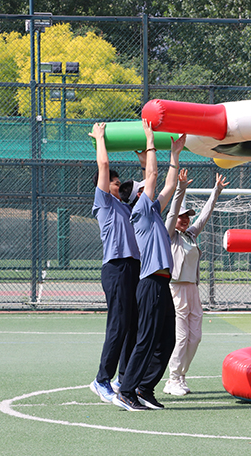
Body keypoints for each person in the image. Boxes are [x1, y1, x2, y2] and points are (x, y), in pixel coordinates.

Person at [112, 119, 184, 411]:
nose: (148, 187)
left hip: (161, 282)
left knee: (167, 339)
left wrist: (175, 154)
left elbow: (169, 184)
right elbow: (153, 175)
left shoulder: (151, 209)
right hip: (151, 282)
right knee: (146, 339)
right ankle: (126, 390)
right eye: (143, 188)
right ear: (138, 197)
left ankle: (144, 388)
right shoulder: (140, 211)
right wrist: (150, 140)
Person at [162, 171, 229, 396]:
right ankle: (172, 379)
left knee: (195, 337)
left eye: (187, 217)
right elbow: (172, 211)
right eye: (181, 216)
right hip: (176, 289)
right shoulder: (169, 235)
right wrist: (180, 188)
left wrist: (216, 191)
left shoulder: (191, 235)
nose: (185, 219)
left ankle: (181, 376)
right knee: (181, 337)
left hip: (192, 289)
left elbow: (204, 216)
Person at [88, 122, 140, 404]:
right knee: (118, 326)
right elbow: (104, 164)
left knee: (132, 326)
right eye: (114, 183)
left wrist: (145, 155)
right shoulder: (104, 203)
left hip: (132, 267)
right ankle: (101, 380)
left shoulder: (126, 207)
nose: (118, 186)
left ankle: (122, 378)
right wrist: (100, 138)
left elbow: (150, 186)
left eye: (119, 184)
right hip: (116, 268)